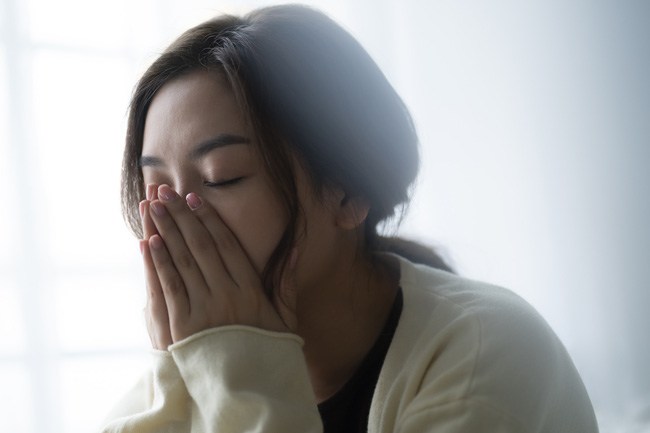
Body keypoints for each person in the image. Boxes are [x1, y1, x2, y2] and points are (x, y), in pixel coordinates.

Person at [102, 4, 598, 433]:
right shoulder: (182, 374)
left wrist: (239, 367)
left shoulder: (481, 353)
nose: (173, 221)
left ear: (347, 193)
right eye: (156, 190)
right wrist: (181, 368)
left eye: (221, 177)